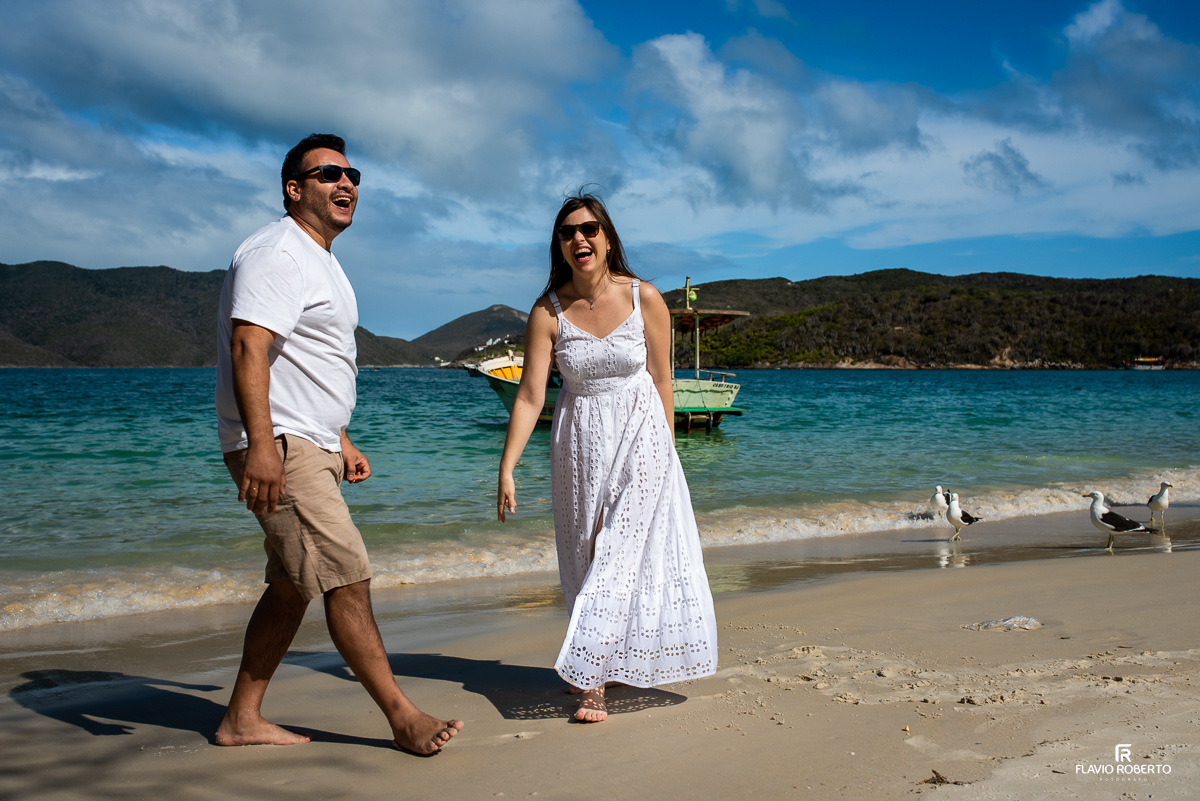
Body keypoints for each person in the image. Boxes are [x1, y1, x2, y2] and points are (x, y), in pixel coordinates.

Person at [214, 133, 462, 754]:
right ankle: (403, 717)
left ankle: (241, 719)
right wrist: (264, 446)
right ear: (294, 189)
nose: (345, 183)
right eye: (327, 174)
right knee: (347, 576)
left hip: (309, 441)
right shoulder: (278, 252)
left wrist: (342, 439)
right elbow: (251, 347)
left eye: (351, 173)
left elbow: (309, 362)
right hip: (282, 445)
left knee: (293, 586)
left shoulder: (320, 258)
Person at [496, 191, 718, 722]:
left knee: (620, 552)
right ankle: (607, 660)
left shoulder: (645, 298)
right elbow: (530, 396)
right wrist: (506, 467)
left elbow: (663, 381)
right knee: (586, 554)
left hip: (642, 434)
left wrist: (666, 452)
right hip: (578, 444)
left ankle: (591, 679)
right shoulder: (547, 312)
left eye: (590, 229)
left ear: (608, 235)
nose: (580, 239)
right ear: (560, 245)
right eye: (569, 232)